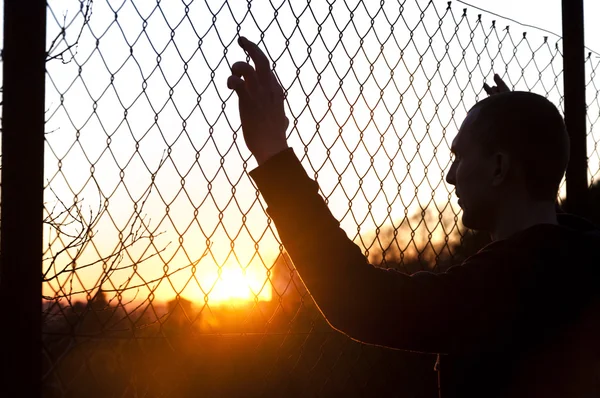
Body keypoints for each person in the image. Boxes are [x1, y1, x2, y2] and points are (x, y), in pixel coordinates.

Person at [227, 37, 600, 397]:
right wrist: (522, 140)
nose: (451, 175)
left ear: (500, 166)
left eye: (460, 156)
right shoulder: (579, 258)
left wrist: (272, 151)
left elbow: (358, 300)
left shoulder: (509, 283)